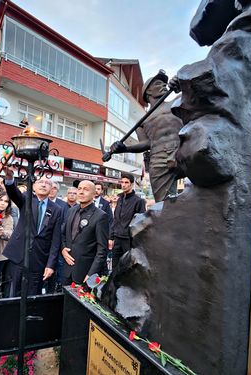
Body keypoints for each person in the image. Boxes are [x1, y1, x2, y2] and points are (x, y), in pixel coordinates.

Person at [109, 70, 184, 202]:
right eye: (158, 84)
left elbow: (196, 90)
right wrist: (124, 148)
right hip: (158, 159)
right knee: (164, 204)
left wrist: (182, 82)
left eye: (165, 83)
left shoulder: (177, 101)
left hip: (184, 150)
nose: (164, 86)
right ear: (148, 92)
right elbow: (145, 144)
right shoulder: (142, 121)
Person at [2, 168, 63, 296]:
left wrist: (50, 264)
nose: (43, 184)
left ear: (52, 188)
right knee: (14, 293)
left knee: (33, 294)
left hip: (39, 259)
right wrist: (9, 179)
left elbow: (56, 240)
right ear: (34, 186)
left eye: (47, 183)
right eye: (40, 181)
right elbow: (13, 192)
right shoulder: (26, 200)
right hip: (19, 256)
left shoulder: (56, 209)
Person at [61, 181, 109, 285]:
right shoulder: (71, 211)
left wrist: (91, 274)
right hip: (67, 271)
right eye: (79, 189)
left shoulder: (100, 216)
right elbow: (64, 234)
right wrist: (63, 249)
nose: (81, 192)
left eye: (86, 189)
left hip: (85, 272)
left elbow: (102, 249)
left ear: (94, 194)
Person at [110, 173, 145, 269]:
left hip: (129, 241)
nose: (124, 184)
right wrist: (111, 237)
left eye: (126, 182)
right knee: (115, 267)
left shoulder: (139, 201)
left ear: (131, 184)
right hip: (117, 239)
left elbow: (141, 223)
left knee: (128, 268)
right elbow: (115, 219)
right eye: (122, 182)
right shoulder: (120, 199)